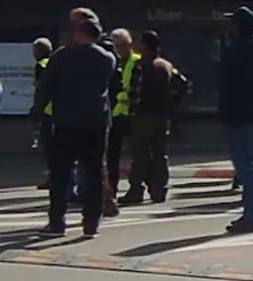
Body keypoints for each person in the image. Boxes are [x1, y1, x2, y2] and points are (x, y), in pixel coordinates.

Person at [32, 18, 116, 238]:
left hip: (67, 122)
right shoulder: (107, 58)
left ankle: (57, 223)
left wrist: (37, 111)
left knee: (60, 174)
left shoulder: (62, 56)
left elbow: (46, 86)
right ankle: (91, 224)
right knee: (94, 172)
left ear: (79, 33)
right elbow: (112, 86)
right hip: (96, 122)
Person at [121, 31, 186, 206]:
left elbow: (134, 93)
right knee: (160, 153)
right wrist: (172, 102)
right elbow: (182, 84)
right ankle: (159, 189)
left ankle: (136, 189)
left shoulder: (141, 65)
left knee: (140, 153)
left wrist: (132, 112)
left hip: (143, 115)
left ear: (145, 45)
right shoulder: (166, 65)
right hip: (163, 115)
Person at [220, 6, 253, 234]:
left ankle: (252, 216)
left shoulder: (234, 51)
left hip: (239, 116)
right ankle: (252, 213)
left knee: (245, 166)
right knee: (252, 165)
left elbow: (227, 85)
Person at [106, 28, 140, 200]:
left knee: (138, 152)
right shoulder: (112, 62)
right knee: (112, 154)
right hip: (116, 115)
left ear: (129, 45)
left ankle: (137, 187)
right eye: (116, 46)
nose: (118, 49)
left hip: (133, 114)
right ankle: (112, 187)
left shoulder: (137, 61)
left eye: (121, 45)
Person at [31, 38, 53, 190]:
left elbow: (42, 90)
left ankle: (54, 178)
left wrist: (36, 110)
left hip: (48, 112)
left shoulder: (41, 65)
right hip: (59, 110)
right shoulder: (55, 63)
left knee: (50, 148)